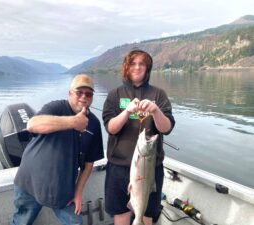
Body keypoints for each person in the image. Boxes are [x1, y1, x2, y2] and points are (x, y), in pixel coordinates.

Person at [11, 74, 104, 225]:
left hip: (63, 190)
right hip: (29, 184)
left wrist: (78, 192)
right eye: (79, 92)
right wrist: (73, 122)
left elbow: (88, 163)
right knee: (21, 222)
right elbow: (32, 124)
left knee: (76, 222)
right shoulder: (56, 107)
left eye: (88, 94)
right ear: (69, 93)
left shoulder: (93, 124)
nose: (83, 97)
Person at [102, 49, 175, 225]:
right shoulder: (115, 94)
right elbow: (111, 128)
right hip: (119, 167)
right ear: (126, 68)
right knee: (121, 214)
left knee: (147, 215)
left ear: (147, 68)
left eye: (142, 64)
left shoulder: (159, 95)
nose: (137, 67)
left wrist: (156, 110)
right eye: (133, 63)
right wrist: (127, 112)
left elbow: (167, 128)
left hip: (151, 168)